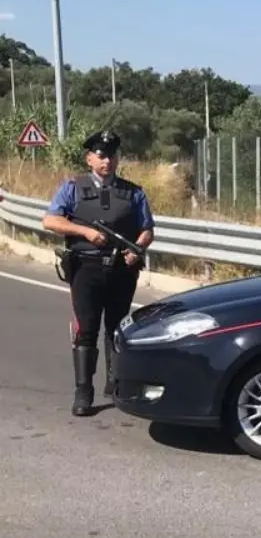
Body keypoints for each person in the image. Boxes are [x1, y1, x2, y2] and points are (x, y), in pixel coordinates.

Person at [41, 130, 155, 416]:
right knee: (86, 329)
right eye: (102, 156)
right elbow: (50, 220)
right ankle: (84, 392)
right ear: (89, 158)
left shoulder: (134, 192)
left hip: (121, 268)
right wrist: (85, 232)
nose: (108, 161)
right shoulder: (73, 187)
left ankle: (114, 382)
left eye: (112, 155)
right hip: (85, 266)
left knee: (117, 328)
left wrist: (137, 249)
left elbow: (147, 230)